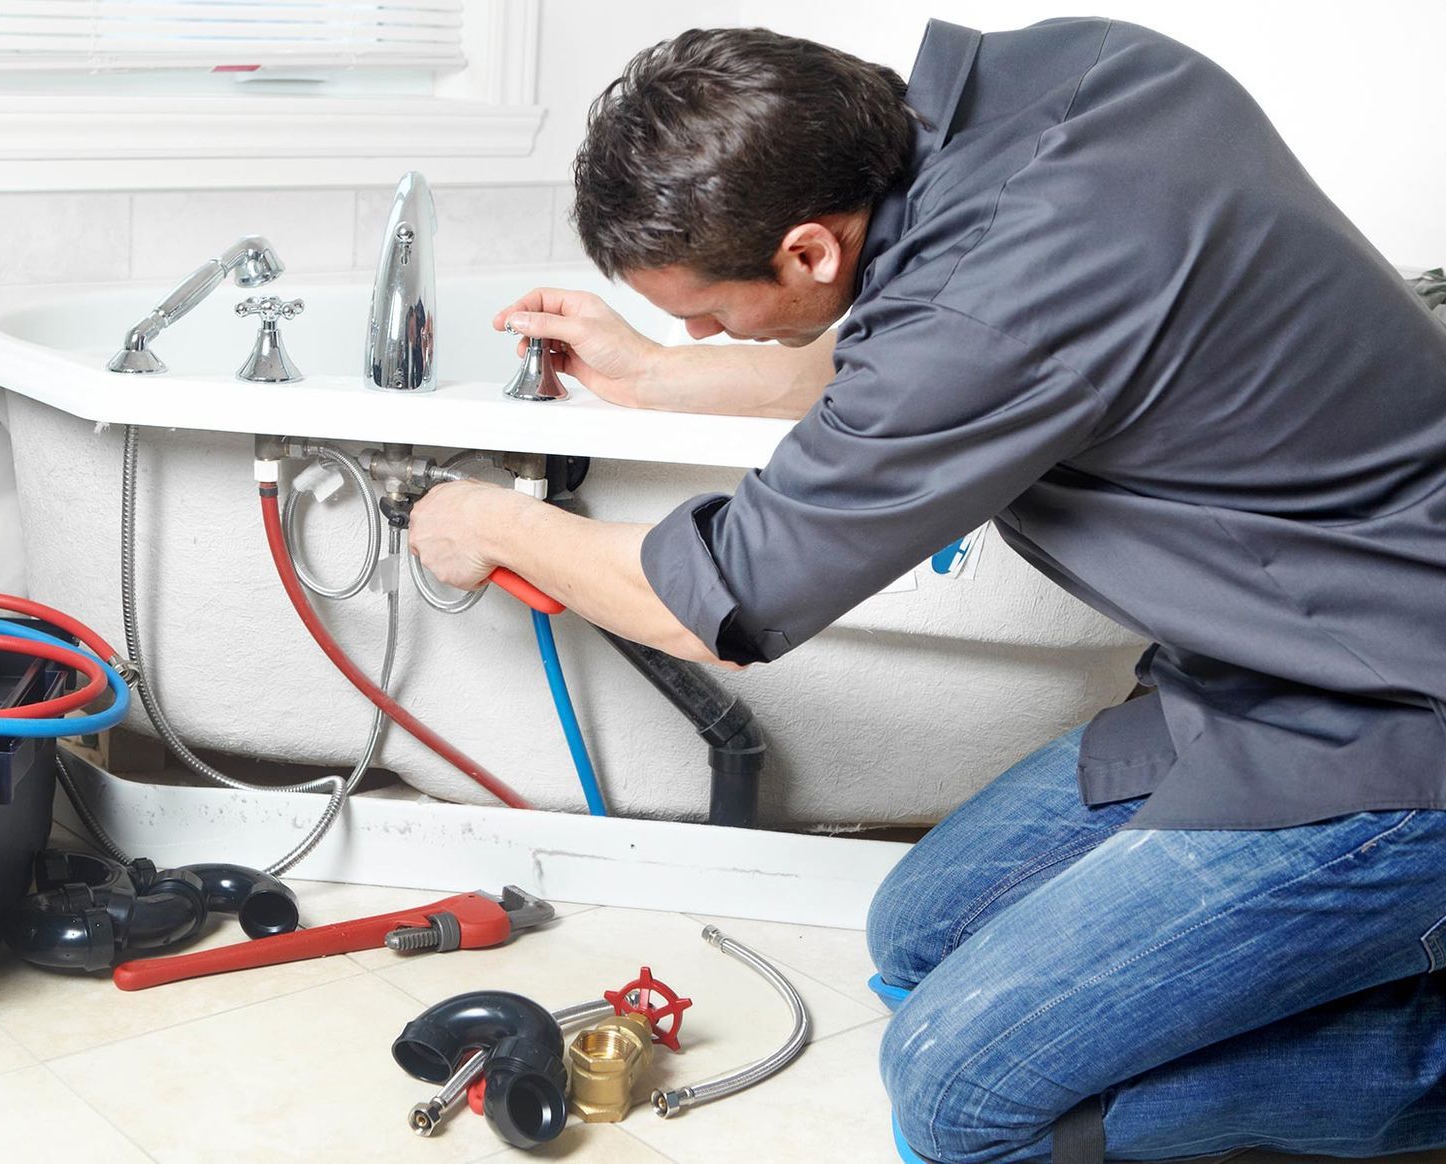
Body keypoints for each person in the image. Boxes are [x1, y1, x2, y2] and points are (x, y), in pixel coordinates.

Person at [407, 19, 1446, 1163]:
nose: (696, 328)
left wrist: (490, 521)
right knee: (919, 938)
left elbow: (718, 598)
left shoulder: (988, 303)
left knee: (966, 1105)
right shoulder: (1084, 73)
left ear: (808, 252)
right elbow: (925, 336)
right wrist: (660, 376)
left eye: (701, 310)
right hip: (1264, 666)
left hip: (1397, 721)